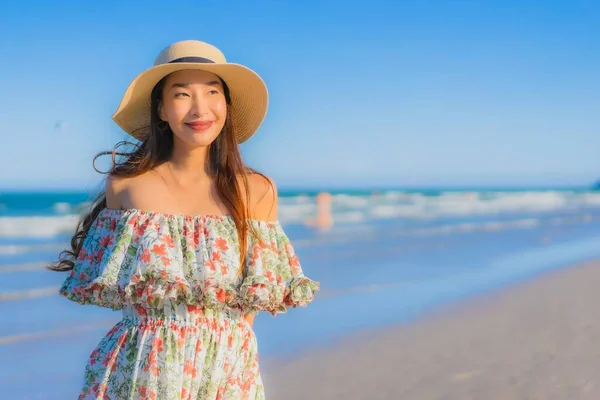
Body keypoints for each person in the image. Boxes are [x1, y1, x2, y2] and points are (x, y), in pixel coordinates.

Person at [49, 40, 320, 400]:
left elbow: (250, 305)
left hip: (229, 367)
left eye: (212, 91)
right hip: (142, 368)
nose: (200, 107)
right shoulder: (127, 187)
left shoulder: (256, 191)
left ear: (227, 104)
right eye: (181, 94)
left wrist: (226, 362)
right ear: (161, 108)